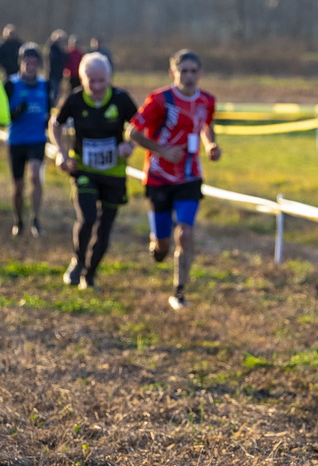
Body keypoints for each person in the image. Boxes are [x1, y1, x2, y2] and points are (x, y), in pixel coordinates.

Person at [128, 50, 220, 310]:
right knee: (163, 245)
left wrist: (210, 144)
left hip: (190, 176)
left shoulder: (207, 101)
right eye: (183, 71)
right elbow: (133, 132)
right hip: (159, 176)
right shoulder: (160, 100)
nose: (189, 76)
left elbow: (206, 125)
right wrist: (162, 150)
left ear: (200, 73)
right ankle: (158, 245)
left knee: (185, 233)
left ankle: (179, 291)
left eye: (193, 71)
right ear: (173, 73)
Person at [49, 53, 138, 289]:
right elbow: (55, 124)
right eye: (91, 81)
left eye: (101, 81)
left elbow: (141, 124)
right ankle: (77, 261)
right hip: (84, 169)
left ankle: (90, 275)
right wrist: (61, 153)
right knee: (87, 218)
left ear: (109, 77)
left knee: (105, 227)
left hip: (113, 172)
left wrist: (130, 144)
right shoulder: (74, 100)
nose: (97, 87)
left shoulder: (121, 99)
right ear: (82, 79)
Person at [5, 45, 51, 237]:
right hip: (16, 140)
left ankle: (35, 219)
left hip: (37, 139)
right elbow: (3, 116)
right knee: (18, 185)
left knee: (35, 176)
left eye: (34, 63)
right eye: (27, 63)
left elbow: (49, 111)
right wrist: (16, 113)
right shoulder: (10, 85)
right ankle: (18, 220)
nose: (31, 67)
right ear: (20, 63)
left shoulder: (45, 85)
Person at [46, 30, 68, 109]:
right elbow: (54, 59)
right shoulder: (52, 48)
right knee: (53, 91)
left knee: (57, 91)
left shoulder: (60, 49)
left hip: (59, 73)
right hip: (53, 73)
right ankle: (51, 106)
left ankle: (54, 105)